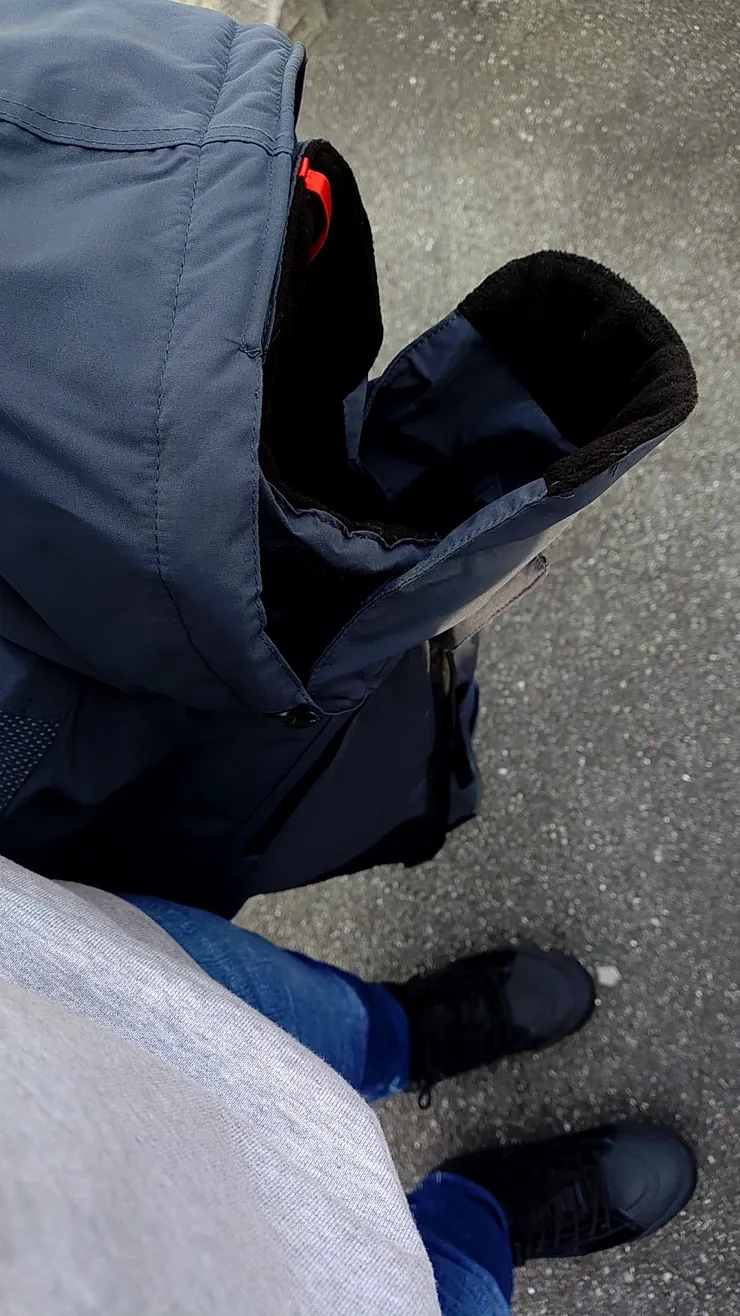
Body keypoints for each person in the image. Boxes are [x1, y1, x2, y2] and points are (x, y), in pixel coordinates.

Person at [0, 851, 696, 1314]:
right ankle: (482, 1210)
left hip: (46, 1008)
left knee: (220, 1014)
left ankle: (403, 1035)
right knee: (422, 1292)